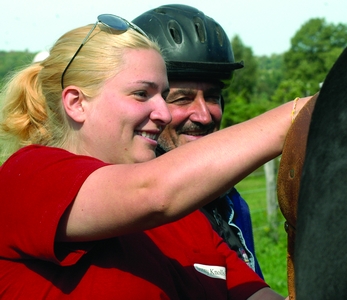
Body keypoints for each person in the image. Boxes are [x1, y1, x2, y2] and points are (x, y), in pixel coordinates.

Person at [0, 13, 308, 299]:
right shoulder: (25, 177)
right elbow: (153, 191)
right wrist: (304, 114)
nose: (162, 113)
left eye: (163, 95)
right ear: (77, 103)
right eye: (141, 94)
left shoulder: (188, 219)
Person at [132, 4, 263, 277]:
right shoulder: (127, 215)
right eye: (182, 99)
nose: (204, 115)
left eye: (213, 97)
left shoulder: (229, 201)